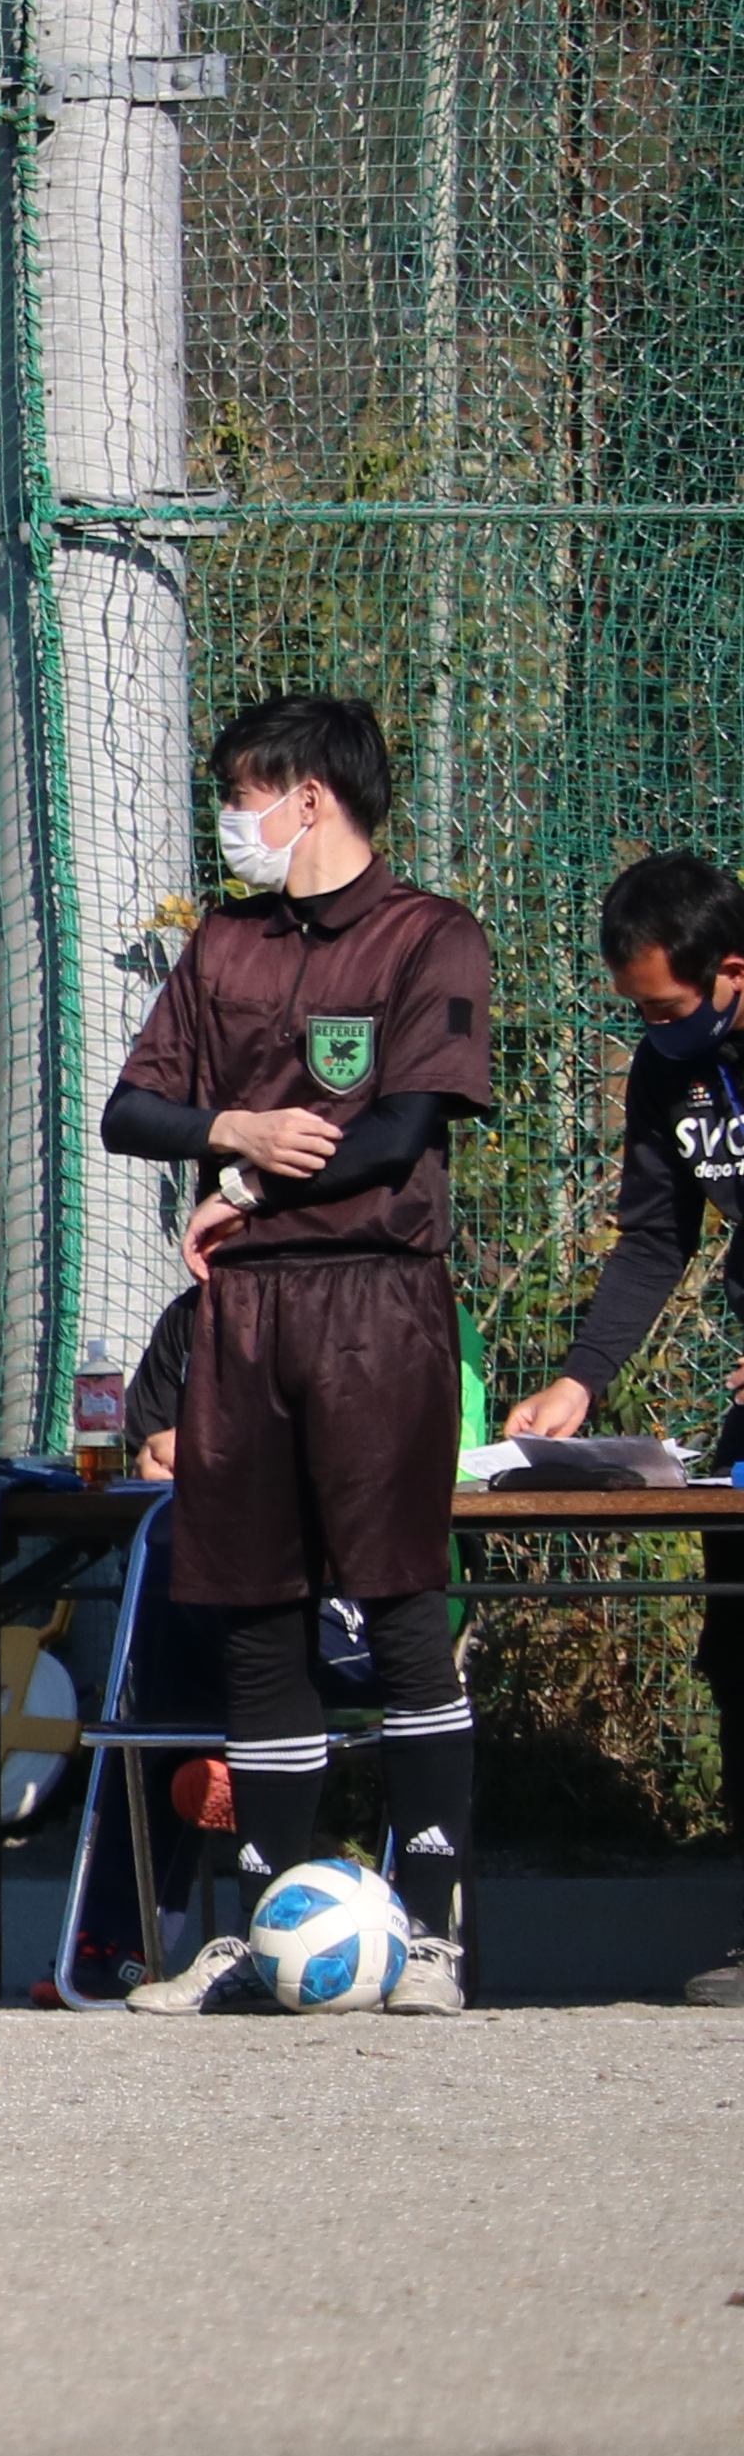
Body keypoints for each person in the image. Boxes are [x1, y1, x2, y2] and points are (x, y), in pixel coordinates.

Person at [101, 693, 496, 2014]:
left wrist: (257, 1176)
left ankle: (433, 1936)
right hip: (245, 1318)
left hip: (375, 1304)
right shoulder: (224, 945)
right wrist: (233, 1127)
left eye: (248, 791)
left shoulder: (428, 937)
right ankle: (272, 1923)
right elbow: (131, 1111)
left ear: (311, 795)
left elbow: (395, 1135)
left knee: (394, 1602)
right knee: (255, 1610)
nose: (237, 819)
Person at [498, 852, 744, 2003]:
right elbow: (656, 1237)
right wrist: (583, 1383)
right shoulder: (669, 1074)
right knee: (737, 1635)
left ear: (732, 971)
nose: (650, 1028)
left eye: (663, 1007)